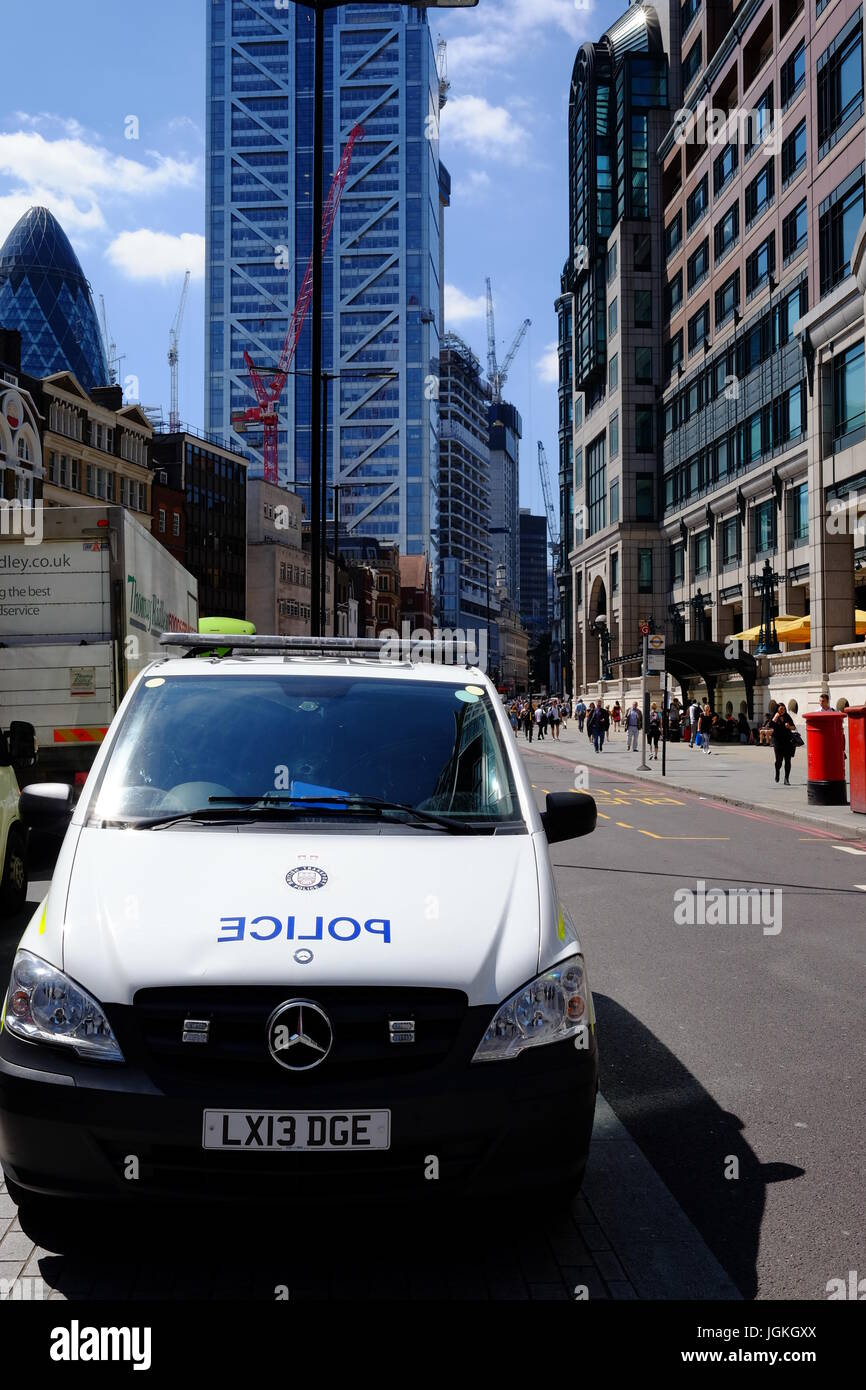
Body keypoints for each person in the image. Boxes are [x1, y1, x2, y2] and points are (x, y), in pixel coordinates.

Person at [771, 703, 797, 785]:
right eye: (781, 709)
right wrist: (775, 717)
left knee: (788, 760)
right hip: (777, 741)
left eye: (784, 709)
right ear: (778, 709)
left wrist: (789, 726)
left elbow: (794, 727)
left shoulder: (787, 716)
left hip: (787, 740)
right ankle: (777, 771)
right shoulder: (775, 716)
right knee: (779, 760)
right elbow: (771, 726)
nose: (783, 710)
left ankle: (786, 779)